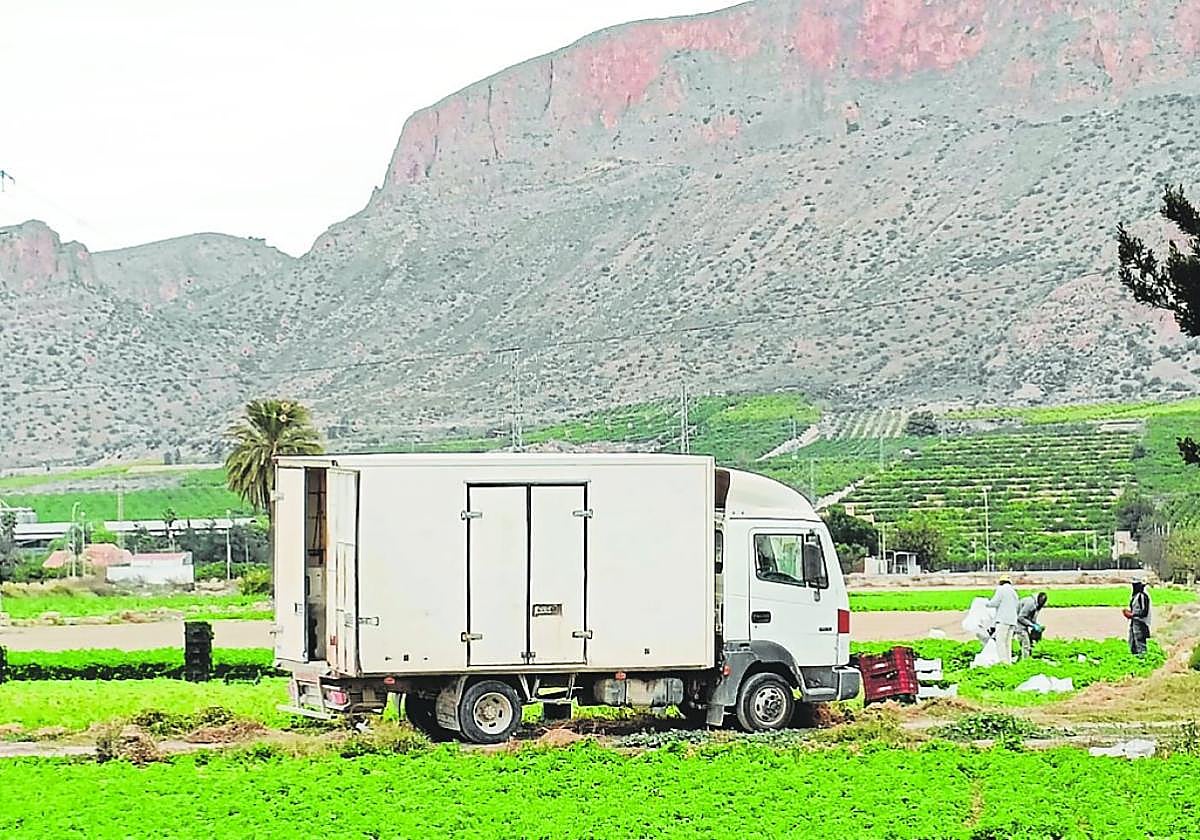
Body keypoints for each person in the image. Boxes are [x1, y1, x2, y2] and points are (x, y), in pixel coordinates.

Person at [986, 578, 1020, 664]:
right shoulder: (1014, 592)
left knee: (1000, 642)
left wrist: (985, 603)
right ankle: (1008, 662)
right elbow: (1017, 605)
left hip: (1003, 620)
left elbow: (994, 602)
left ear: (1001, 582)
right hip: (1012, 621)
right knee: (1008, 643)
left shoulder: (1001, 589)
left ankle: (1003, 662)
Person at [1015, 591, 1048, 660]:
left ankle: (1023, 659)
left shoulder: (1036, 604)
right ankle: (1026, 662)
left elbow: (1032, 617)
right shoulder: (1030, 603)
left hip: (1023, 624)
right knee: (1026, 645)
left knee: (1028, 643)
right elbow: (1021, 617)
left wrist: (1037, 625)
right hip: (1018, 624)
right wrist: (1032, 625)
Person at [1124, 576, 1152, 655]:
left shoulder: (1142, 596)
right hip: (1134, 623)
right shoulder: (1135, 596)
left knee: (1140, 645)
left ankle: (1143, 662)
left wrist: (1132, 614)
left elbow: (1144, 612)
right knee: (1132, 644)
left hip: (1141, 624)